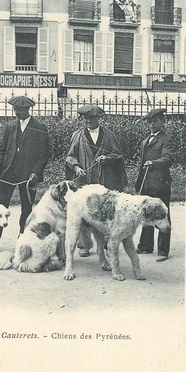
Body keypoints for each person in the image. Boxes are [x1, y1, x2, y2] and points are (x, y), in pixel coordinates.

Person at [0, 96, 50, 251]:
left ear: (28, 109)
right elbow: (2, 151)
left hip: (28, 176)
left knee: (27, 211)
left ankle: (23, 243)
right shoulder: (10, 126)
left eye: (20, 110)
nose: (16, 113)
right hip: (7, 172)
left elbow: (44, 154)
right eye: (15, 109)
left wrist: (36, 173)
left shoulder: (40, 127)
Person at [66, 104, 127, 257]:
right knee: (83, 212)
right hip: (84, 181)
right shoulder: (77, 136)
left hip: (104, 181)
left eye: (91, 118)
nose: (87, 121)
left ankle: (106, 244)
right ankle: (84, 245)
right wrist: (76, 167)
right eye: (85, 118)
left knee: (104, 213)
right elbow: (70, 156)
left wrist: (107, 158)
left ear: (98, 118)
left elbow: (118, 155)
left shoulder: (108, 135)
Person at [135, 108, 174, 262]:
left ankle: (163, 250)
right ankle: (146, 246)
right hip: (146, 184)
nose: (151, 125)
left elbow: (168, 158)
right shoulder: (146, 140)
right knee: (146, 213)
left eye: (154, 121)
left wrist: (154, 163)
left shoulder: (166, 140)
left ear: (162, 122)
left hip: (160, 184)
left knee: (163, 214)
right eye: (149, 122)